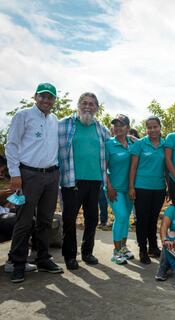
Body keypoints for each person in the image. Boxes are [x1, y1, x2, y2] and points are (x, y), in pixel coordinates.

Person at [5, 83, 63, 282]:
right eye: (43, 96)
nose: (46, 100)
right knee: (24, 220)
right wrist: (15, 174)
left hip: (52, 176)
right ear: (35, 97)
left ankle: (43, 258)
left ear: (54, 100)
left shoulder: (54, 120)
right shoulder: (23, 116)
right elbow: (11, 145)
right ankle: (17, 262)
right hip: (28, 175)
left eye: (50, 97)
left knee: (45, 221)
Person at [58, 92, 110, 270]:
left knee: (92, 218)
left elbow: (114, 145)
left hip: (95, 181)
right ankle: (70, 256)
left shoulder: (101, 129)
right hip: (72, 180)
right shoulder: (64, 124)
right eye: (84, 103)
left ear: (96, 108)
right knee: (69, 219)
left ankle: (87, 252)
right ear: (78, 105)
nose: (88, 106)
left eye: (92, 104)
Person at [129, 116, 167, 264]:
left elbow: (167, 167)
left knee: (153, 219)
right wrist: (131, 186)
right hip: (141, 187)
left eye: (155, 127)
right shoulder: (140, 145)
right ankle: (142, 250)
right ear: (146, 129)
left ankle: (153, 247)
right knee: (142, 220)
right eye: (149, 127)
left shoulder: (165, 145)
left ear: (160, 127)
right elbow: (132, 167)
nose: (152, 130)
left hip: (159, 188)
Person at [105, 114, 135, 264]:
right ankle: (116, 251)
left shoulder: (132, 144)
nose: (117, 128)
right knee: (121, 216)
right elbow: (103, 168)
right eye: (115, 125)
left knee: (126, 219)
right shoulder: (108, 144)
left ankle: (123, 247)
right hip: (114, 188)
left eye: (121, 125)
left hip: (129, 189)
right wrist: (108, 186)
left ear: (127, 128)